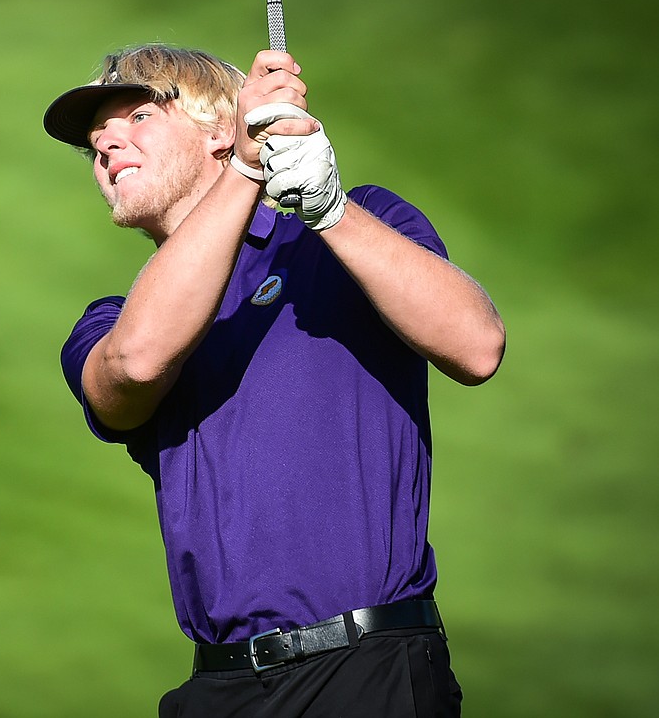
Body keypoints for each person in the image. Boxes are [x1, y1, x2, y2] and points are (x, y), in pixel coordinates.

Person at [43, 44, 505, 717]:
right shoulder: (111, 323)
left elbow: (478, 345)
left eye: (138, 116)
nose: (105, 144)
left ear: (218, 129)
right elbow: (136, 365)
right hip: (219, 690)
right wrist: (244, 170)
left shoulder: (349, 231)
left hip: (367, 671)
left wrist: (331, 211)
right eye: (95, 144)